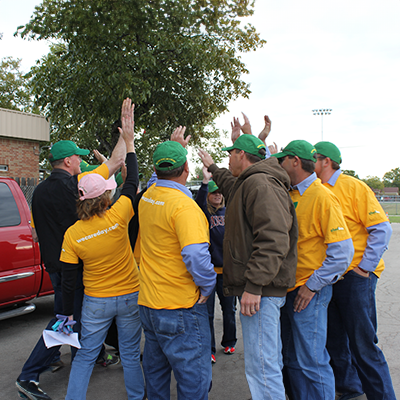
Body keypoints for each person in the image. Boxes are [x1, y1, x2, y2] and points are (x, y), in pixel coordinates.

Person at [16, 124, 126, 400]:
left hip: (53, 266)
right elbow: (115, 163)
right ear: (68, 161)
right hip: (72, 268)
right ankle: (28, 376)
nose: (79, 160)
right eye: (77, 157)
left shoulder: (38, 191)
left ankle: (95, 354)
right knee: (66, 320)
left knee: (78, 316)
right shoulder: (75, 187)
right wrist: (127, 136)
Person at [198, 130, 298, 400]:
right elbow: (230, 185)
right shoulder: (249, 182)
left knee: (262, 365)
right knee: (264, 360)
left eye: (230, 154)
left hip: (262, 290)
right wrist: (212, 167)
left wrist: (254, 286)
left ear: (241, 155)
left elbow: (273, 239)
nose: (228, 159)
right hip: (261, 288)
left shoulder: (261, 184)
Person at [60, 98, 145, 400]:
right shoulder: (120, 213)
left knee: (84, 356)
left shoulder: (72, 234)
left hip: (95, 301)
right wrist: (130, 142)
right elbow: (132, 180)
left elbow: (69, 280)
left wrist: (66, 314)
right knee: (132, 354)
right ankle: (137, 397)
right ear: (105, 197)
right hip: (130, 294)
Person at [272, 140, 354, 400]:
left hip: (308, 292)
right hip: (290, 288)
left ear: (295, 161)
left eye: (282, 160)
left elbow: (342, 253)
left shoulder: (322, 196)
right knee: (294, 358)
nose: (279, 164)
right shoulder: (293, 194)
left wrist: (312, 285)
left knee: (312, 360)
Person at [138, 127, 216, 399]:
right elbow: (195, 256)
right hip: (180, 306)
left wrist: (171, 147)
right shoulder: (184, 207)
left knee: (156, 379)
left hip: (149, 304)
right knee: (194, 381)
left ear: (156, 169)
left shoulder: (147, 198)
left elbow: (154, 180)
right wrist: (208, 287)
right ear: (186, 167)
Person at [313, 141, 395, 400]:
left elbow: (382, 229)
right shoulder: (315, 189)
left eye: (312, 158)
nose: (308, 162)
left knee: (363, 343)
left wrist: (364, 269)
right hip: (330, 276)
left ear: (326, 161)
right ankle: (350, 389)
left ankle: (383, 396)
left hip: (354, 276)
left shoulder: (352, 186)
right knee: (335, 339)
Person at [195, 167, 237, 363]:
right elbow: (198, 201)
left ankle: (229, 341)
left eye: (220, 192)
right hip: (210, 273)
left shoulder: (230, 211)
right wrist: (205, 183)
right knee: (208, 313)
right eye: (214, 192)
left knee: (229, 311)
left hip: (228, 272)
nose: (218, 195)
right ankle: (209, 348)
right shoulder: (203, 213)